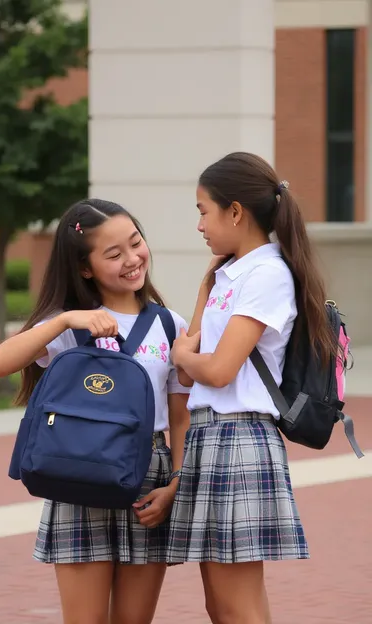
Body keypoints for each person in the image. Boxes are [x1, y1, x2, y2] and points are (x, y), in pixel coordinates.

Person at [0, 199, 190, 624]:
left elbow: (180, 417)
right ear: (85, 268)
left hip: (147, 478)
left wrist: (175, 483)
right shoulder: (67, 322)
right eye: (114, 255)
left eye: (136, 243)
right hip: (77, 473)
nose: (132, 259)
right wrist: (62, 322)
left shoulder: (170, 325)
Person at [168, 152, 334, 624]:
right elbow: (188, 372)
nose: (199, 224)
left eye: (203, 210)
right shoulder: (226, 274)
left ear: (235, 211)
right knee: (220, 603)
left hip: (238, 437)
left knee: (236, 604)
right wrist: (190, 351)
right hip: (209, 436)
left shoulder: (267, 275)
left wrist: (184, 356)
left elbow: (213, 369)